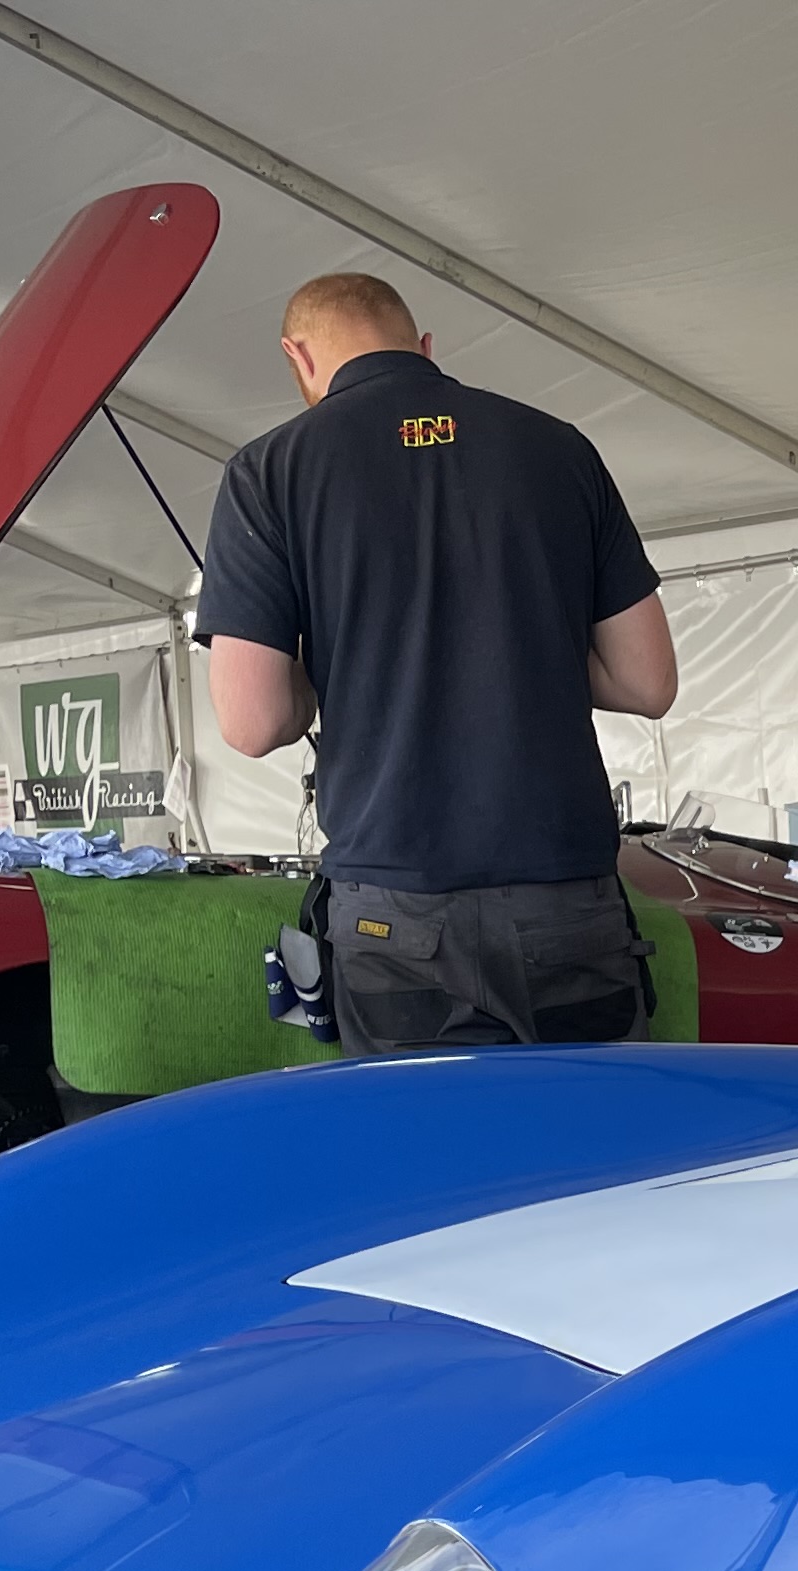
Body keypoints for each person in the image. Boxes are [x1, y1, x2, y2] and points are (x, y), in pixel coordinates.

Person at [197, 272, 681, 1052]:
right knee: (584, 1130)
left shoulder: (269, 471)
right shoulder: (558, 446)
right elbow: (647, 682)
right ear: (424, 346)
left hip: (395, 910)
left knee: (425, 1133)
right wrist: (534, 643)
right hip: (564, 895)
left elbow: (254, 723)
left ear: (298, 358)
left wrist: (333, 655)